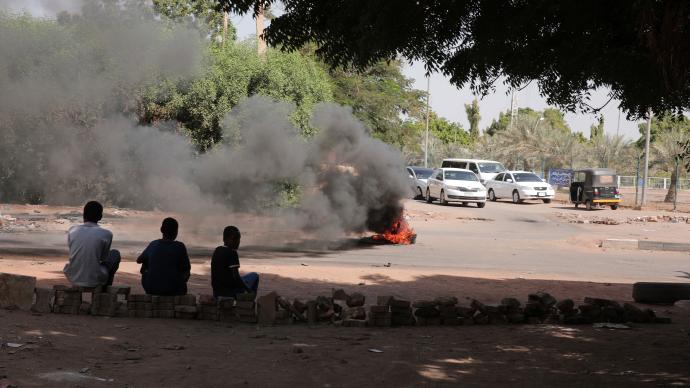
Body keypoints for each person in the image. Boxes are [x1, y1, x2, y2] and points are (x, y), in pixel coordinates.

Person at [64, 201, 121, 288]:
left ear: (83, 215)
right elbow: (103, 258)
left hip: (73, 277)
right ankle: (106, 285)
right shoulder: (107, 234)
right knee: (115, 254)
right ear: (100, 217)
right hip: (94, 279)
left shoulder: (72, 230)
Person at [137, 218, 191, 296]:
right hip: (174, 289)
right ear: (176, 232)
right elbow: (186, 269)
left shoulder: (153, 244)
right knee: (183, 267)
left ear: (161, 230)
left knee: (146, 262)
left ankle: (154, 281)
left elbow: (139, 260)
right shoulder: (180, 246)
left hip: (151, 288)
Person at [211, 226, 259, 298]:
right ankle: (250, 299)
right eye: (235, 239)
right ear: (225, 239)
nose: (237, 242)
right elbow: (236, 277)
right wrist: (248, 289)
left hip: (217, 292)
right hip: (230, 292)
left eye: (238, 239)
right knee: (255, 276)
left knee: (245, 280)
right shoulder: (232, 253)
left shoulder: (217, 250)